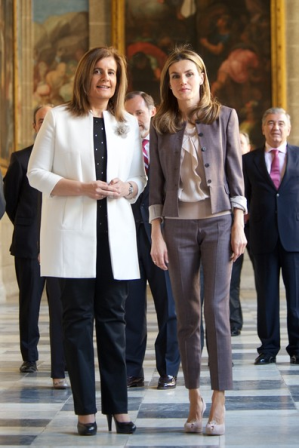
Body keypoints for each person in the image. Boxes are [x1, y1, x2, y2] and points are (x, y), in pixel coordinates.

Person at [27, 46, 147, 436]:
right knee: (77, 324)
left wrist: (127, 186)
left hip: (115, 239)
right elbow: (36, 174)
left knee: (114, 322)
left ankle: (119, 408)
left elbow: (139, 180)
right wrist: (79, 187)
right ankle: (86, 411)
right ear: (85, 75)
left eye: (111, 72)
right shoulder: (59, 118)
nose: (105, 78)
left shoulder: (127, 122)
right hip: (71, 238)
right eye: (98, 71)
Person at [149, 46, 247, 436]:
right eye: (175, 76)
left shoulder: (225, 117)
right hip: (176, 227)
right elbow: (155, 186)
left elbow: (236, 180)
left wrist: (239, 225)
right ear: (168, 83)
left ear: (202, 77)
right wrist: (156, 233)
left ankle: (219, 402)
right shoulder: (161, 125)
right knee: (186, 317)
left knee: (217, 312)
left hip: (220, 224)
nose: (182, 81)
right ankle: (194, 399)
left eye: (189, 74)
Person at [3, 105, 67, 389]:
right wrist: (30, 230)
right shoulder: (19, 159)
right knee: (29, 303)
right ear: (34, 126)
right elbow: (10, 202)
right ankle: (29, 356)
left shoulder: (67, 158)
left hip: (62, 245)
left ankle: (61, 361)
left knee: (61, 306)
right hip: (29, 244)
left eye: (50, 121)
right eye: (41, 121)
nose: (45, 125)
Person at [124, 91, 180, 390]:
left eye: (139, 113)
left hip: (164, 236)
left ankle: (168, 369)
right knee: (130, 307)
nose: (135, 120)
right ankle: (132, 370)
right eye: (128, 114)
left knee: (169, 306)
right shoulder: (119, 148)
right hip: (127, 237)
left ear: (152, 112)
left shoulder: (167, 143)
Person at [243, 107, 299, 366]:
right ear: (263, 128)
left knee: (296, 296)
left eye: (280, 123)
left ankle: (297, 347)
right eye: (270, 123)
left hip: (294, 237)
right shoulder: (249, 161)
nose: (275, 128)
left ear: (288, 128)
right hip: (262, 237)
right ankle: (268, 348)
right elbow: (241, 199)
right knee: (266, 296)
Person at [230, 131, 251, 337]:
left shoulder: (252, 165)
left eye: (241, 142)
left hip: (253, 228)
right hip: (232, 227)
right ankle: (233, 322)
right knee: (231, 277)